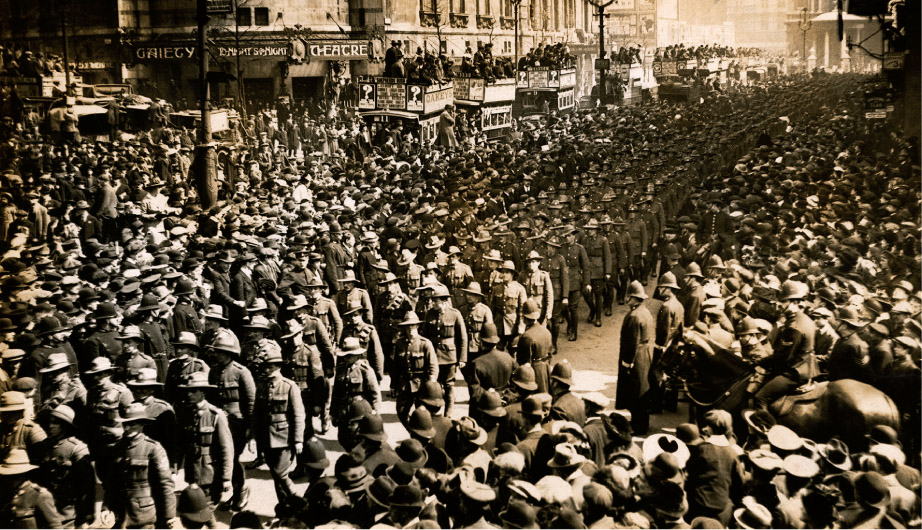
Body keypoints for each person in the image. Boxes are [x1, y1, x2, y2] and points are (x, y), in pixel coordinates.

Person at [108, 402, 178, 529]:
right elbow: (112, 482)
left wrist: (170, 514)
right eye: (125, 424)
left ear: (142, 424)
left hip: (144, 514)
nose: (127, 428)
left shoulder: (153, 448)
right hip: (122, 512)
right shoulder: (118, 447)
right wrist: (106, 507)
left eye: (132, 424)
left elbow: (165, 484)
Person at [178, 372, 234, 504]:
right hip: (192, 471)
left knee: (206, 507)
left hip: (210, 473)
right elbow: (181, 443)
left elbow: (226, 449)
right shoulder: (186, 413)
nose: (189, 394)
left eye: (193, 391)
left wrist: (227, 478)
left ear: (203, 392)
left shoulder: (215, 415)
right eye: (188, 391)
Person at [616, 281, 655, 434]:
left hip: (636, 356)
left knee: (634, 390)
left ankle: (638, 425)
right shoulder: (645, 312)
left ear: (633, 298)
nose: (627, 299)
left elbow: (632, 342)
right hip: (644, 354)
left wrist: (627, 362)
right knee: (642, 388)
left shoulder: (634, 316)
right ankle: (642, 421)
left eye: (629, 296)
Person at [391, 311, 438, 424]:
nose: (410, 328)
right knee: (401, 411)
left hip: (422, 384)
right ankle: (413, 431)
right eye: (407, 326)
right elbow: (395, 367)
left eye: (413, 325)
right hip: (405, 384)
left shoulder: (425, 343)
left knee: (423, 414)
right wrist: (393, 385)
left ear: (417, 325)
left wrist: (431, 384)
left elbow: (433, 365)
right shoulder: (400, 344)